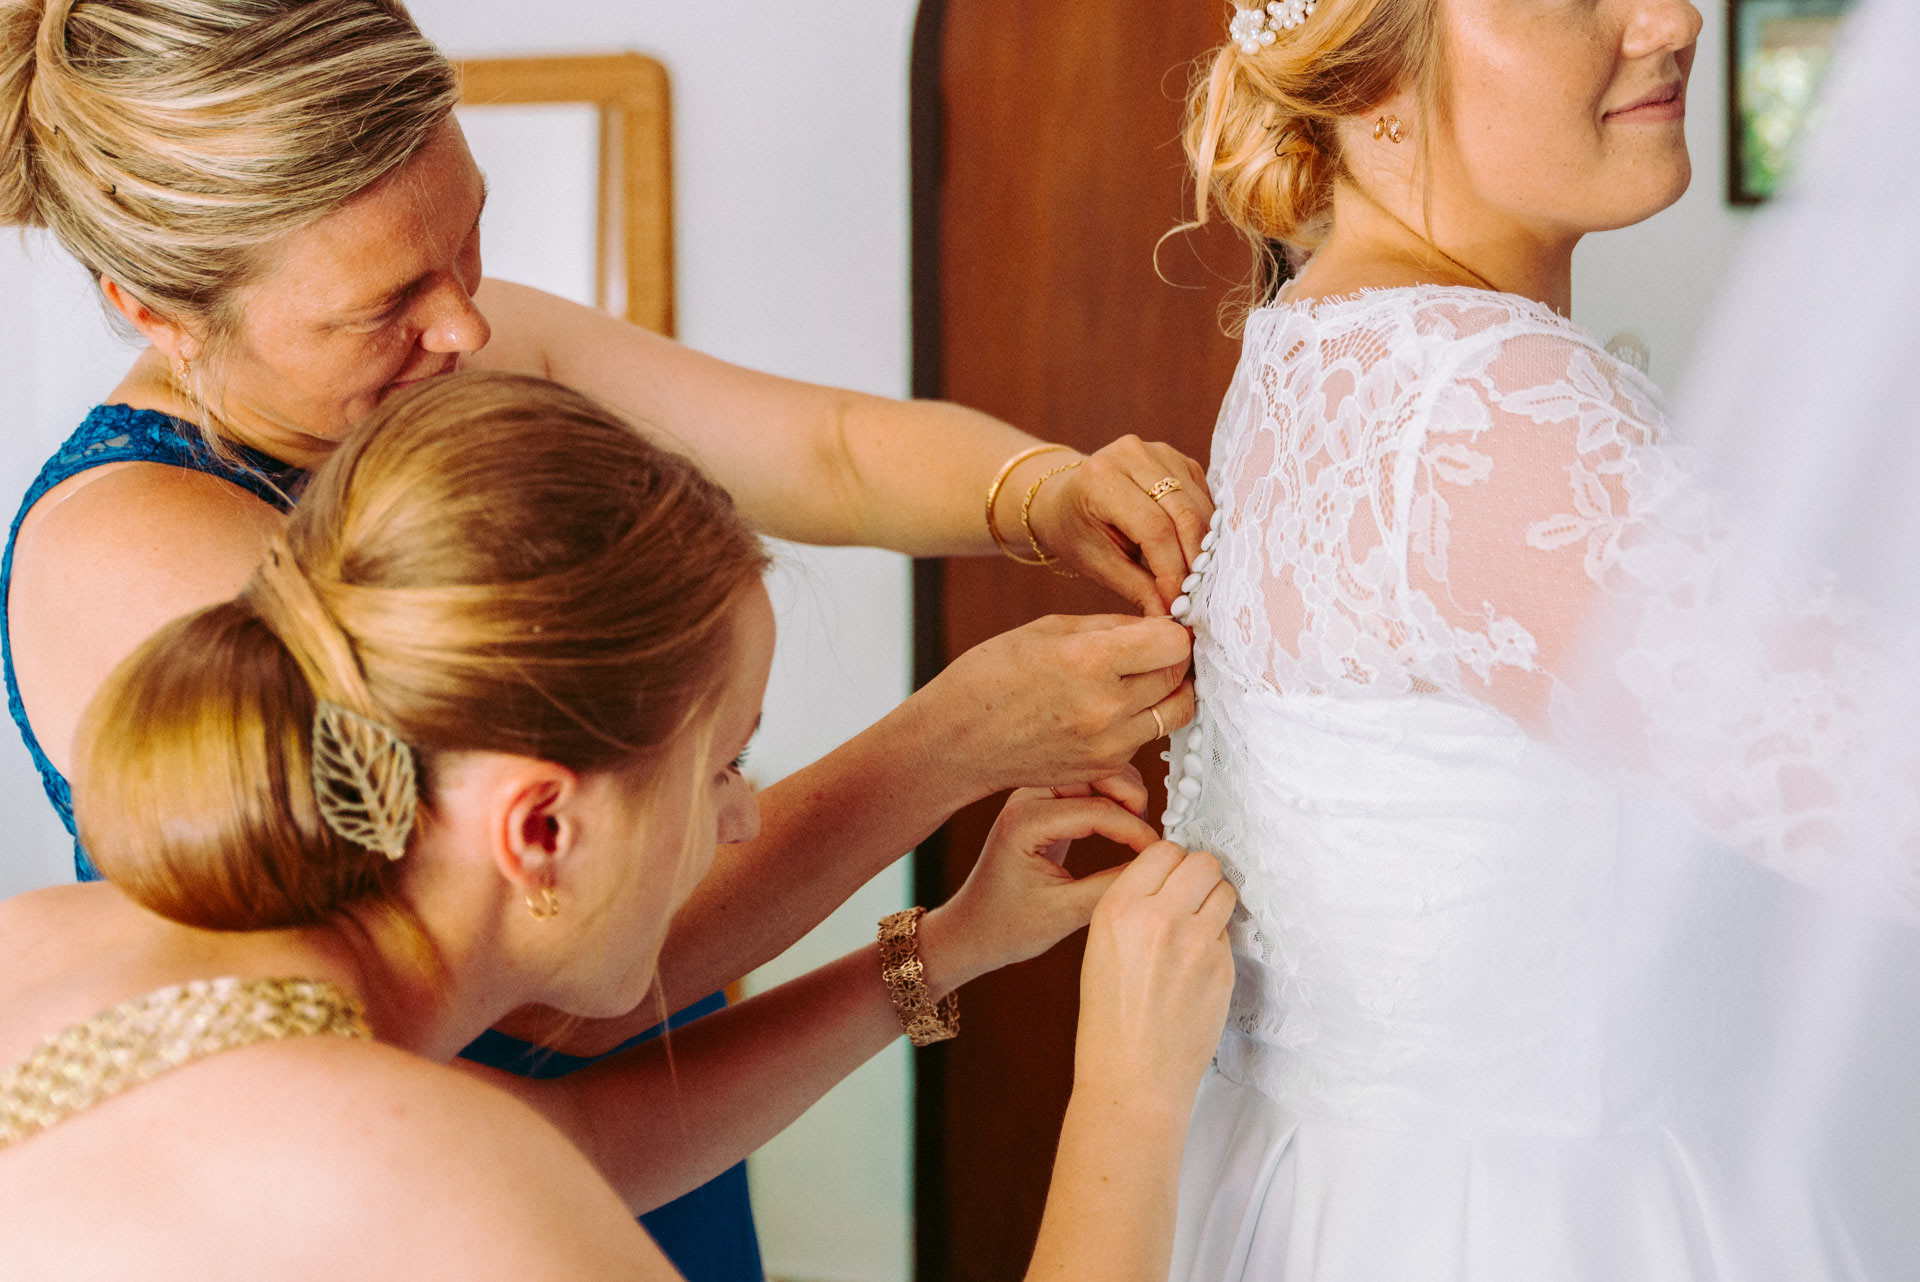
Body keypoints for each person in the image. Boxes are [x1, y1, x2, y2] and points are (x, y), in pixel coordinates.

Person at [0, 4, 1205, 1273]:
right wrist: (950, 750)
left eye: (467, 237)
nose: (465, 327)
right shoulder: (141, 557)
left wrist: (1044, 493)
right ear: (154, 309)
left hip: (643, 1123)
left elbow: (829, 454)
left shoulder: (69, 970)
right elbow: (556, 990)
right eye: (386, 301)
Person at [0, 370, 1238, 1280]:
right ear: (541, 828)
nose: (742, 820)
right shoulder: (437, 1175)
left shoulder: (67, 942)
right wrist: (1130, 1095)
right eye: (723, 768)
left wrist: (948, 948)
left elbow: (586, 1136)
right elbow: (520, 1166)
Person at [1157, 0, 1912, 1277]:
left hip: (1337, 1202)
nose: (1672, 19)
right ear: (1371, 78)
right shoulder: (1479, 408)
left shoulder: (1328, 341)